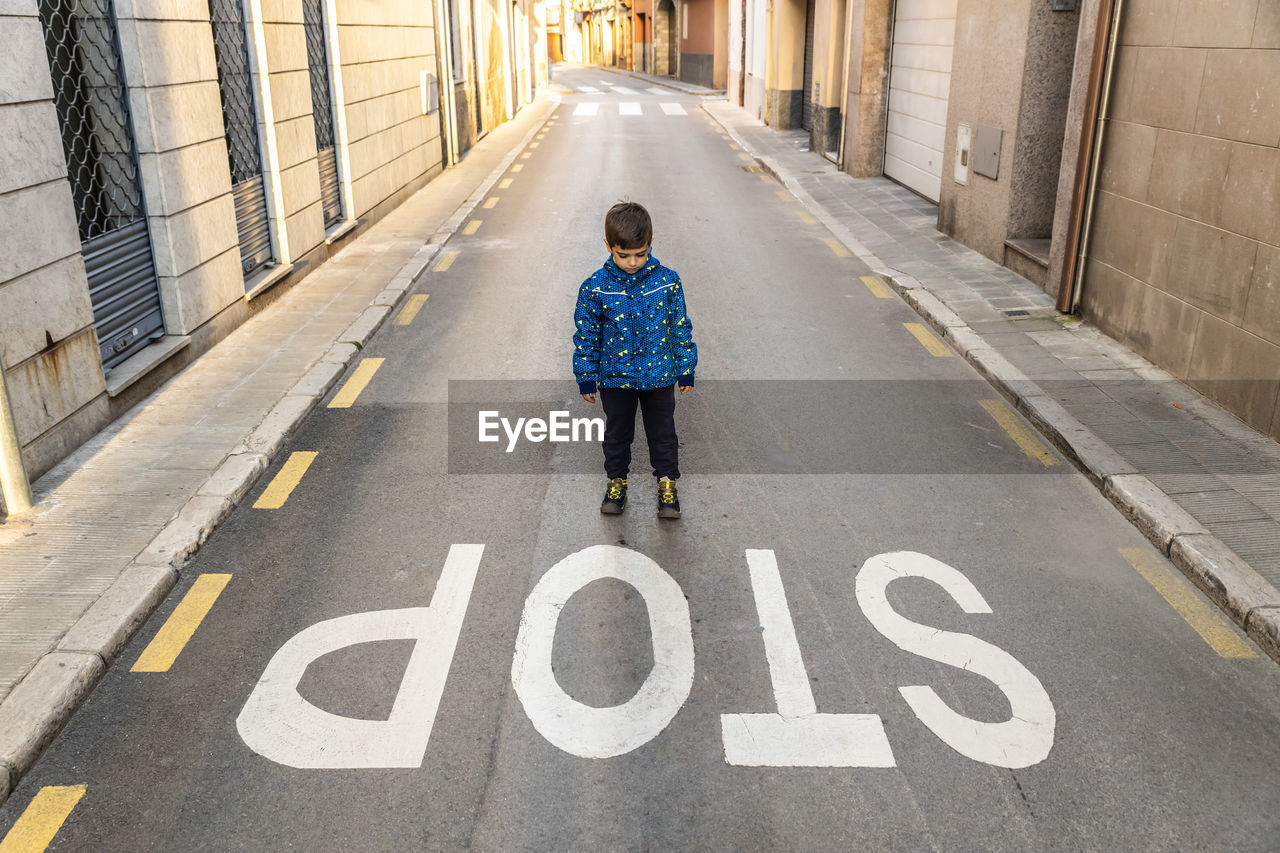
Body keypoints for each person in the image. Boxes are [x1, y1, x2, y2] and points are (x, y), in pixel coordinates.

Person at [573, 201, 697, 518]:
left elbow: (679, 327)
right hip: (615, 379)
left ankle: (667, 486)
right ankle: (616, 484)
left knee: (663, 434)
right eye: (623, 255)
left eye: (640, 254)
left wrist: (685, 369)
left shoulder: (668, 281)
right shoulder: (595, 287)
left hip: (659, 377)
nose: (632, 262)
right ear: (608, 247)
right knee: (617, 435)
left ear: (650, 246)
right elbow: (587, 335)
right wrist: (586, 375)